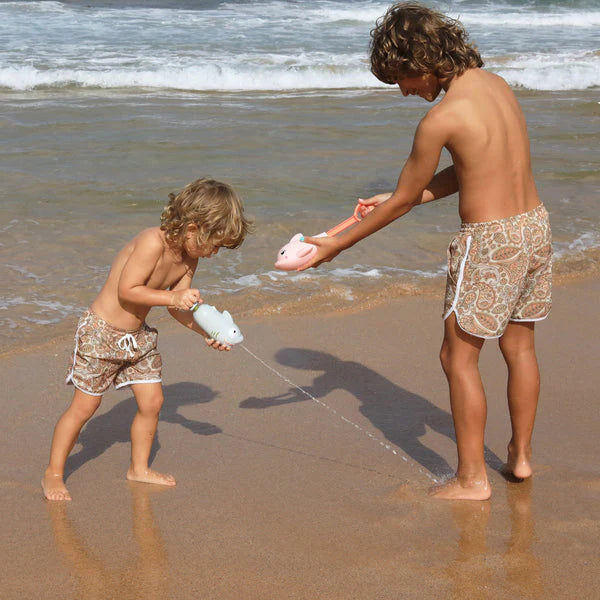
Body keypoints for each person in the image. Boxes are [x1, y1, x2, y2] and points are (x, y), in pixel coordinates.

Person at [299, 2, 552, 500]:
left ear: (422, 59)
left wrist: (336, 245)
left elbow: (400, 203)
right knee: (520, 347)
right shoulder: (495, 83)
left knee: (457, 356)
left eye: (402, 77)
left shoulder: (440, 118)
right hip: (534, 228)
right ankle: (520, 458)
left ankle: (471, 479)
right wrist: (406, 196)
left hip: (489, 242)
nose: (403, 91)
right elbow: (472, 170)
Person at [42, 177, 251, 501]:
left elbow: (179, 309)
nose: (214, 253)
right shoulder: (151, 242)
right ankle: (53, 472)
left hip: (137, 338)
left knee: (153, 402)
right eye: (215, 244)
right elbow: (128, 290)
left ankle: (138, 468)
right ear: (194, 227)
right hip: (101, 333)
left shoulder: (188, 258)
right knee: (85, 406)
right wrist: (172, 299)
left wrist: (205, 332)